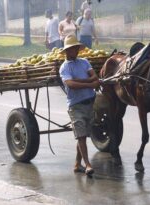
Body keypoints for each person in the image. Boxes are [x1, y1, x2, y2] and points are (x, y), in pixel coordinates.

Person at [59, 34, 100, 176]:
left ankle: (77, 164)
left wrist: (82, 81)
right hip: (76, 106)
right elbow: (70, 84)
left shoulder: (84, 62)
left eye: (76, 48)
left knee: (83, 135)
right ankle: (88, 164)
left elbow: (95, 77)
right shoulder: (65, 67)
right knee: (81, 136)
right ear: (66, 51)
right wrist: (88, 83)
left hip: (89, 102)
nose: (75, 51)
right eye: (72, 49)